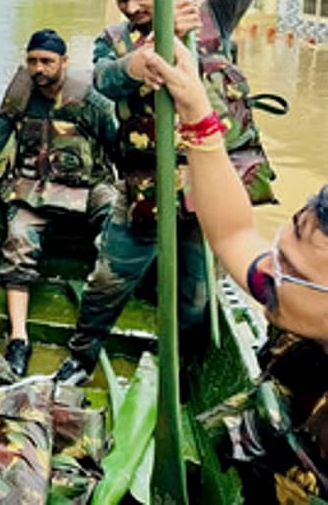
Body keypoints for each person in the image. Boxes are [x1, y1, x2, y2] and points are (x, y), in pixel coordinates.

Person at [54, 0, 269, 386]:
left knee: (196, 298)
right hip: (147, 189)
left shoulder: (211, 15)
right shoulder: (116, 39)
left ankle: (187, 378)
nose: (132, 7)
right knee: (108, 281)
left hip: (206, 188)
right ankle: (80, 362)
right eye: (123, 0)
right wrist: (140, 60)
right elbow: (102, 79)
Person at [145, 41, 328, 502]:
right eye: (279, 249)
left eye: (290, 269)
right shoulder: (298, 300)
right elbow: (232, 234)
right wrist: (196, 110)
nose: (268, 270)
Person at [0, 29, 118, 377]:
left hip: (89, 186)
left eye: (47, 61)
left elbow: (119, 147)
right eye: (32, 61)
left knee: (116, 216)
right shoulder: (20, 96)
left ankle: (96, 318)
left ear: (64, 62)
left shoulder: (91, 102)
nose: (39, 68)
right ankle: (18, 339)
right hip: (35, 189)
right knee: (17, 234)